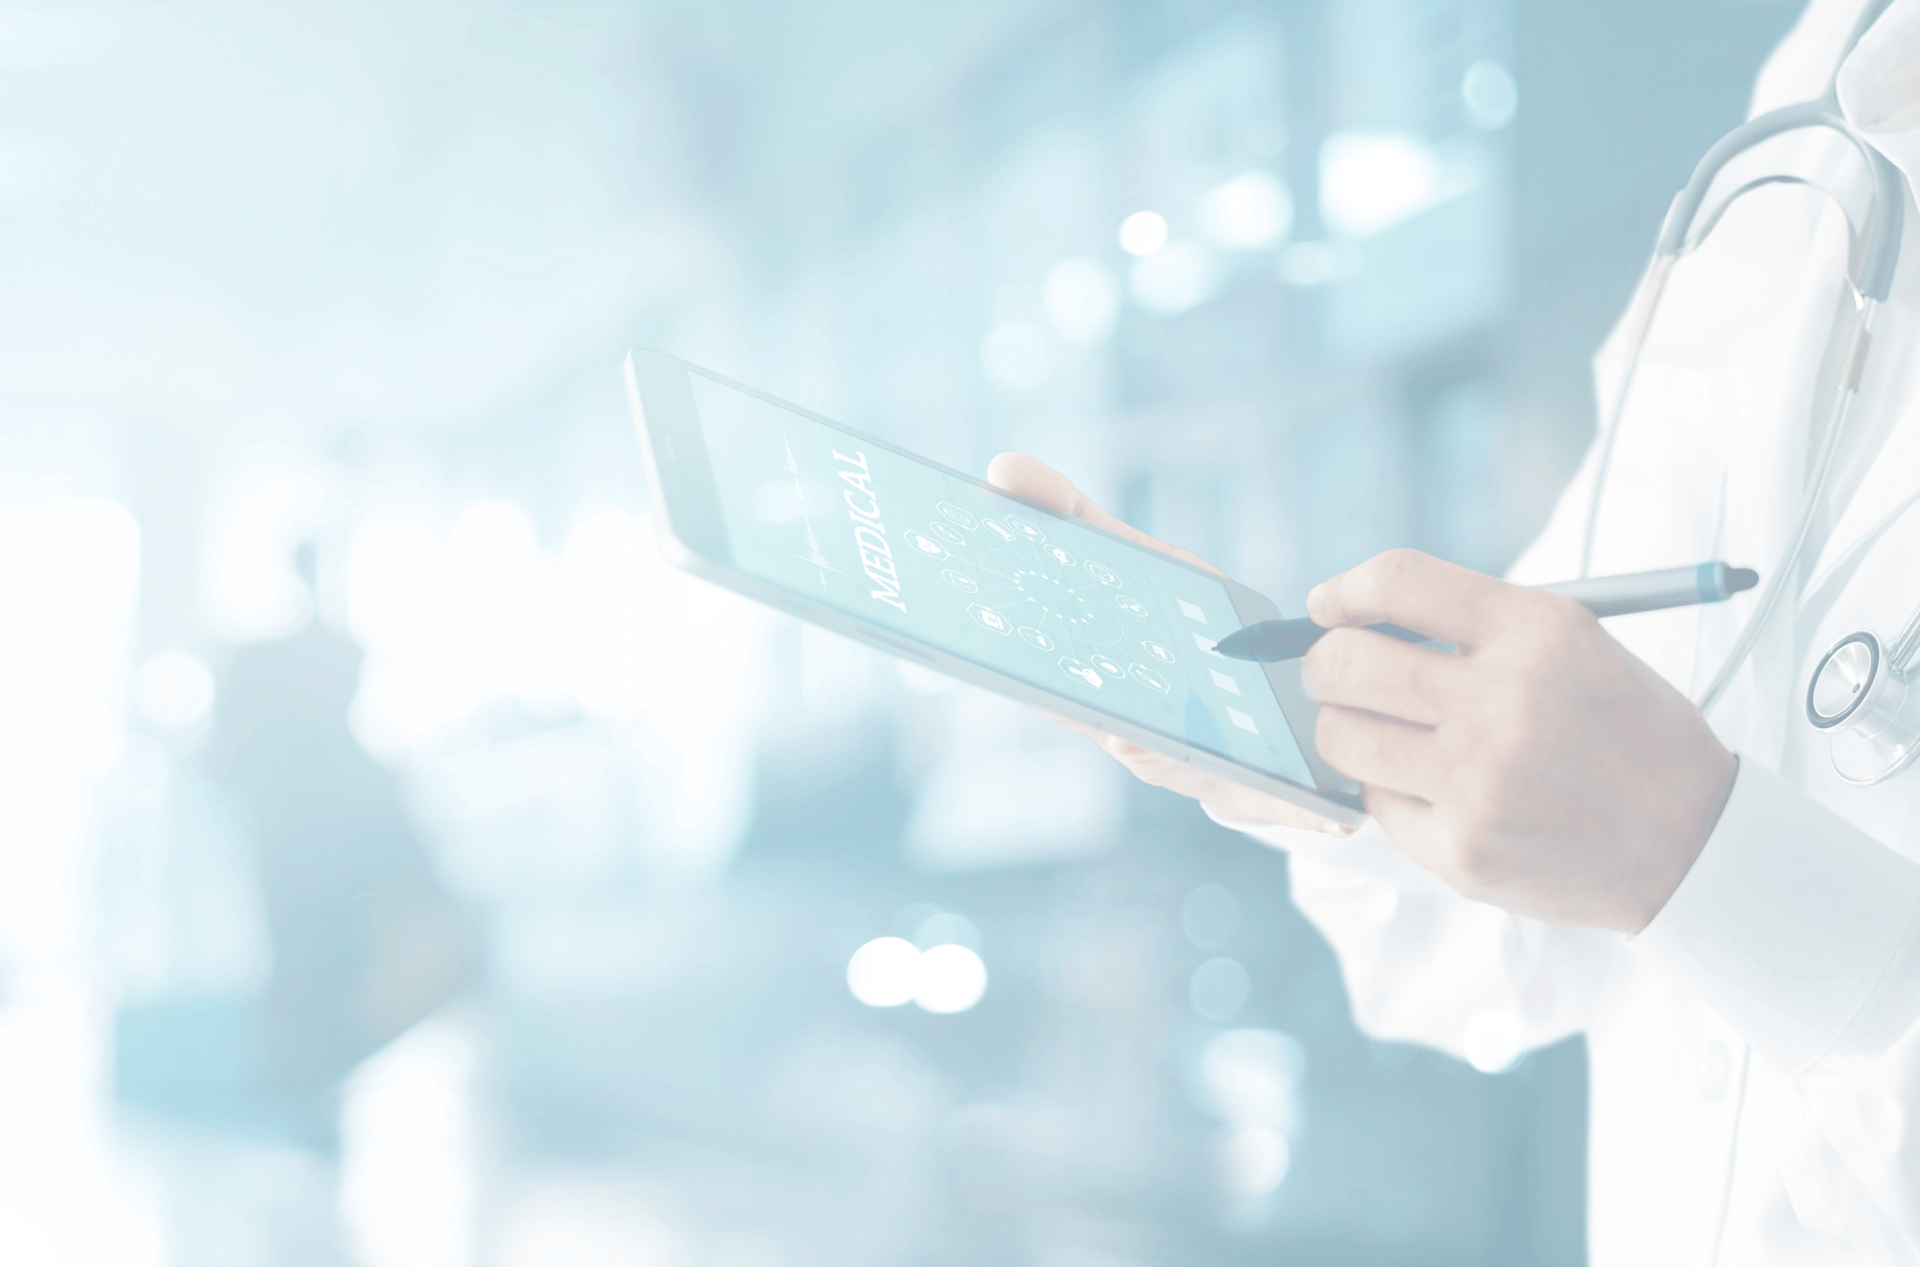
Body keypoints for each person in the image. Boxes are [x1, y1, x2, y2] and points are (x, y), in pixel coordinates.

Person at [991, 2, 1920, 1262]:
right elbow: (1511, 941)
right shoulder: (1815, 107)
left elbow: (1654, 850)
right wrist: (1322, 737)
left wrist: (1707, 862)